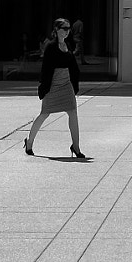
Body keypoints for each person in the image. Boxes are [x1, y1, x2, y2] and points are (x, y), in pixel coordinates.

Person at [25, 17, 87, 161]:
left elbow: (73, 67)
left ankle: (76, 147)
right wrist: (43, 88)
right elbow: (45, 69)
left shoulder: (68, 45)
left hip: (66, 85)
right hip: (53, 85)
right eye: (64, 29)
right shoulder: (51, 47)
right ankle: (29, 143)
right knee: (44, 114)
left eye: (69, 29)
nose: (67, 31)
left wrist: (75, 84)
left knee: (72, 113)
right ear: (57, 30)